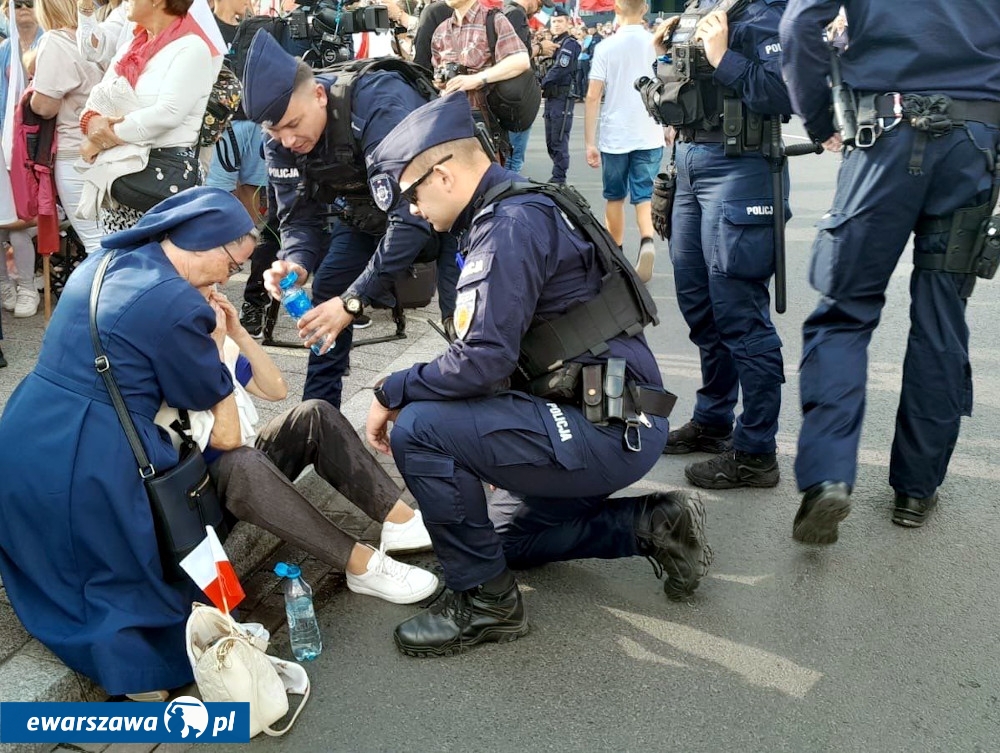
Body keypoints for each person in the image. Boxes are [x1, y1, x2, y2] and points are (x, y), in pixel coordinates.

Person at [364, 94, 712, 658]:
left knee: (419, 428)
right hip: (611, 412)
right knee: (504, 541)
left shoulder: (508, 226)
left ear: (444, 175)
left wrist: (391, 388)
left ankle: (486, 603)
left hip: (600, 424)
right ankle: (653, 524)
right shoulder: (521, 203)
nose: (414, 212)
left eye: (412, 196)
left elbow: (482, 361)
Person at [0, 188, 258, 700]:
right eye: (233, 264)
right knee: (115, 575)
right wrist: (215, 344)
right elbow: (221, 424)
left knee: (60, 558)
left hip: (26, 427)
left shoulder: (103, 260)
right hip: (98, 452)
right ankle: (137, 670)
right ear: (206, 241)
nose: (229, 277)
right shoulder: (178, 302)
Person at [779, 0, 1000, 541]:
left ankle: (829, 475)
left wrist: (821, 121)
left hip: (884, 134)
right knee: (943, 314)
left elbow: (799, 23)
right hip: (975, 141)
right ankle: (916, 490)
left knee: (844, 313)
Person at [176, 286, 439, 604]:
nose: (215, 295)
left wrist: (237, 333)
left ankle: (400, 522)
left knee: (313, 413)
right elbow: (228, 440)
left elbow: (276, 389)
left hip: (236, 469)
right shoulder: (173, 349)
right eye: (207, 288)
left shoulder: (211, 339)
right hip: (197, 498)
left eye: (217, 287)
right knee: (242, 460)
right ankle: (361, 564)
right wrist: (216, 355)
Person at [241, 29, 460, 408]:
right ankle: (319, 417)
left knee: (463, 319)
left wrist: (352, 303)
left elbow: (410, 221)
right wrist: (296, 262)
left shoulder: (379, 104)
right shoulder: (280, 138)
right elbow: (297, 217)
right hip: (364, 210)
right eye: (275, 131)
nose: (287, 140)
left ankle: (468, 417)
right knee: (326, 295)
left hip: (444, 209)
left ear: (319, 95)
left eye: (293, 125)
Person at [644, 0, 791, 490]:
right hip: (688, 162)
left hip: (740, 167)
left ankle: (756, 451)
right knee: (701, 307)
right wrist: (663, 54)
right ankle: (713, 421)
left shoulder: (768, 14)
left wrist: (722, 54)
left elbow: (783, 92)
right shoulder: (702, 9)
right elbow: (684, 92)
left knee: (740, 315)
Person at [77, 0, 219, 230]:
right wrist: (91, 122)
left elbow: (167, 114)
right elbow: (97, 100)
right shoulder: (131, 47)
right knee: (117, 252)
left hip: (160, 182)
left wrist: (101, 139)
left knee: (161, 253)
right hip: (120, 182)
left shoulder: (192, 48)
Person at [583, 0, 663, 283]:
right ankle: (647, 241)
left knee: (614, 197)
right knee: (644, 195)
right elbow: (667, 86)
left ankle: (616, 255)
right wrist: (669, 126)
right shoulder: (656, 44)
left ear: (616, 8)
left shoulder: (606, 47)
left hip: (615, 134)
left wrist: (589, 141)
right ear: (645, 9)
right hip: (650, 130)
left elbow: (593, 96)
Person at [29, 0, 104, 253]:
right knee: (113, 237)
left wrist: (31, 95)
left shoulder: (55, 41)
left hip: (75, 152)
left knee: (97, 244)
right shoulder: (99, 36)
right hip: (108, 147)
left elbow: (45, 106)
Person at [429, 0, 530, 160]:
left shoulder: (493, 20)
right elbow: (436, 72)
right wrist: (441, 81)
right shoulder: (441, 30)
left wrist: (477, 79)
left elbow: (521, 60)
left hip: (484, 123)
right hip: (449, 122)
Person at [0, 0, 43, 319]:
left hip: (40, 148)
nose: (23, 8)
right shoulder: (4, 50)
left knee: (18, 226)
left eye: (30, 2)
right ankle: (5, 284)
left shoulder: (50, 42)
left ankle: (28, 288)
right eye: (17, 3)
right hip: (7, 146)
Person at [500, 0, 551, 175]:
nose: (538, 10)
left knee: (509, 155)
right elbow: (519, 55)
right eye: (539, 4)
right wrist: (540, 48)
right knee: (513, 159)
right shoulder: (516, 13)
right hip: (517, 97)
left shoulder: (506, 11)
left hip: (510, 94)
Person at [540, 7, 579, 184]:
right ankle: (557, 174)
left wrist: (542, 84)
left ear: (568, 23)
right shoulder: (554, 43)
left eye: (560, 21)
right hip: (551, 98)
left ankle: (559, 178)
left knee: (559, 139)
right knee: (550, 140)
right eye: (554, 21)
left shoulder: (569, 44)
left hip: (562, 99)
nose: (556, 24)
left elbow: (560, 68)